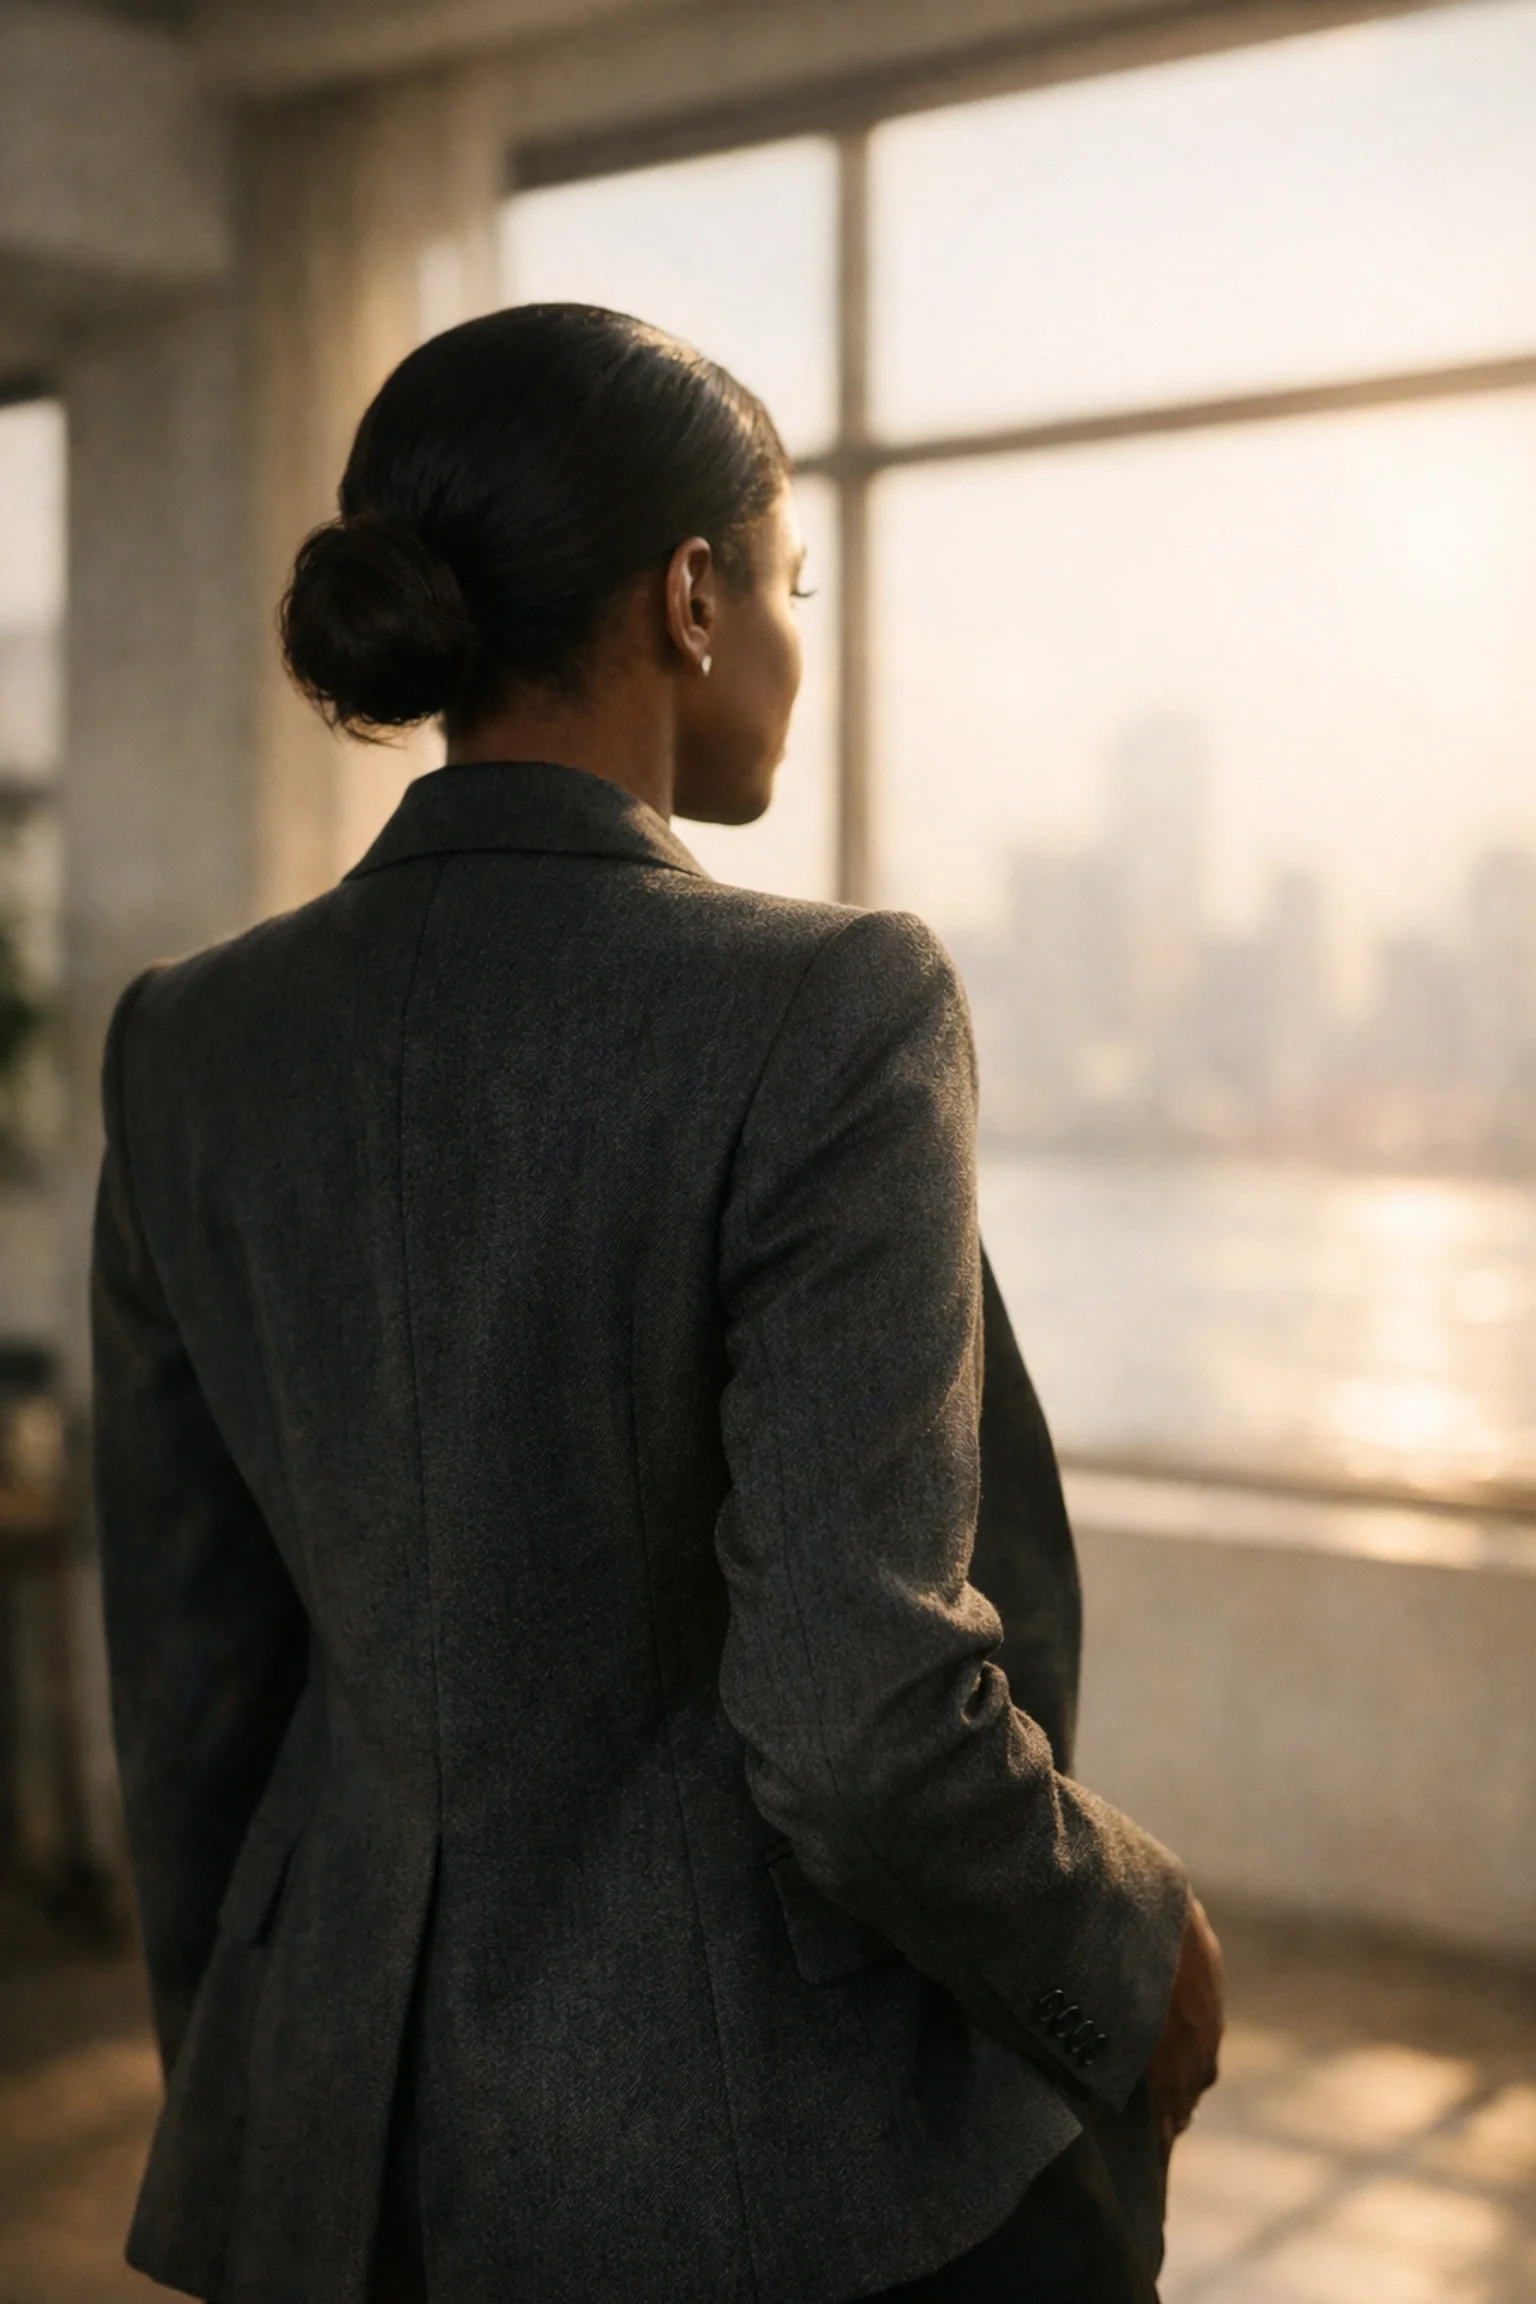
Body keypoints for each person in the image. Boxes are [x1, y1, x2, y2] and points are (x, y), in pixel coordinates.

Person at [92, 303, 1223, 2304]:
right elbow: (860, 1724)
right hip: (768, 2171)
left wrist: (271, 2099)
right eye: (787, 579)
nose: (795, 637)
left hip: (349, 2151)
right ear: (691, 597)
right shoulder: (830, 1005)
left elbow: (192, 1692)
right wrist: (1124, 1954)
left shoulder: (190, 1041)